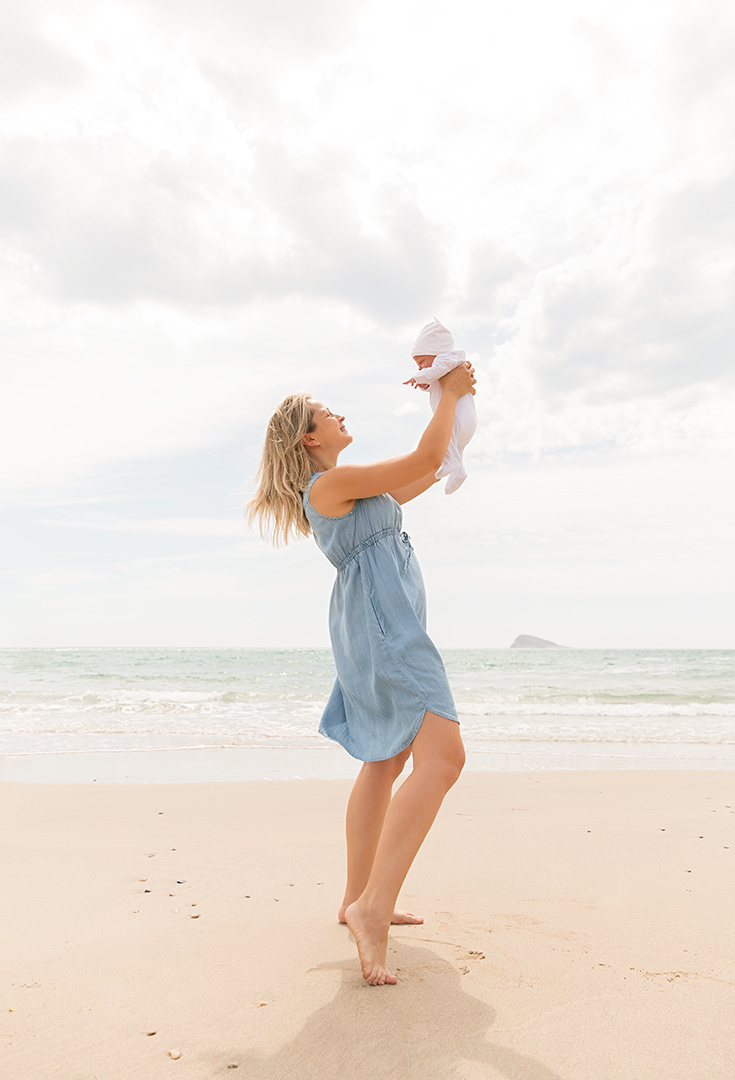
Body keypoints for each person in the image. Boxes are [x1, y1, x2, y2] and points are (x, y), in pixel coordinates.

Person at [246, 359, 476, 985]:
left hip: (373, 631)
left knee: (385, 761)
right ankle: (371, 907)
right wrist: (449, 394)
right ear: (308, 438)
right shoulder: (331, 486)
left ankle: (357, 898)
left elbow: (428, 470)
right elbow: (422, 457)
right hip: (386, 633)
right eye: (329, 413)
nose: (341, 415)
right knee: (444, 760)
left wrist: (446, 400)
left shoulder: (349, 490)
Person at [405, 317, 477, 494]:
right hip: (465, 421)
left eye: (421, 362)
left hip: (460, 418)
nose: (421, 368)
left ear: (435, 351)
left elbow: (436, 371)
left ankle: (450, 462)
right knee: (456, 448)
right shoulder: (446, 367)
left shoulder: (447, 359)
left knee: (448, 443)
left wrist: (418, 377)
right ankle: (458, 472)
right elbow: (437, 384)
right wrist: (426, 385)